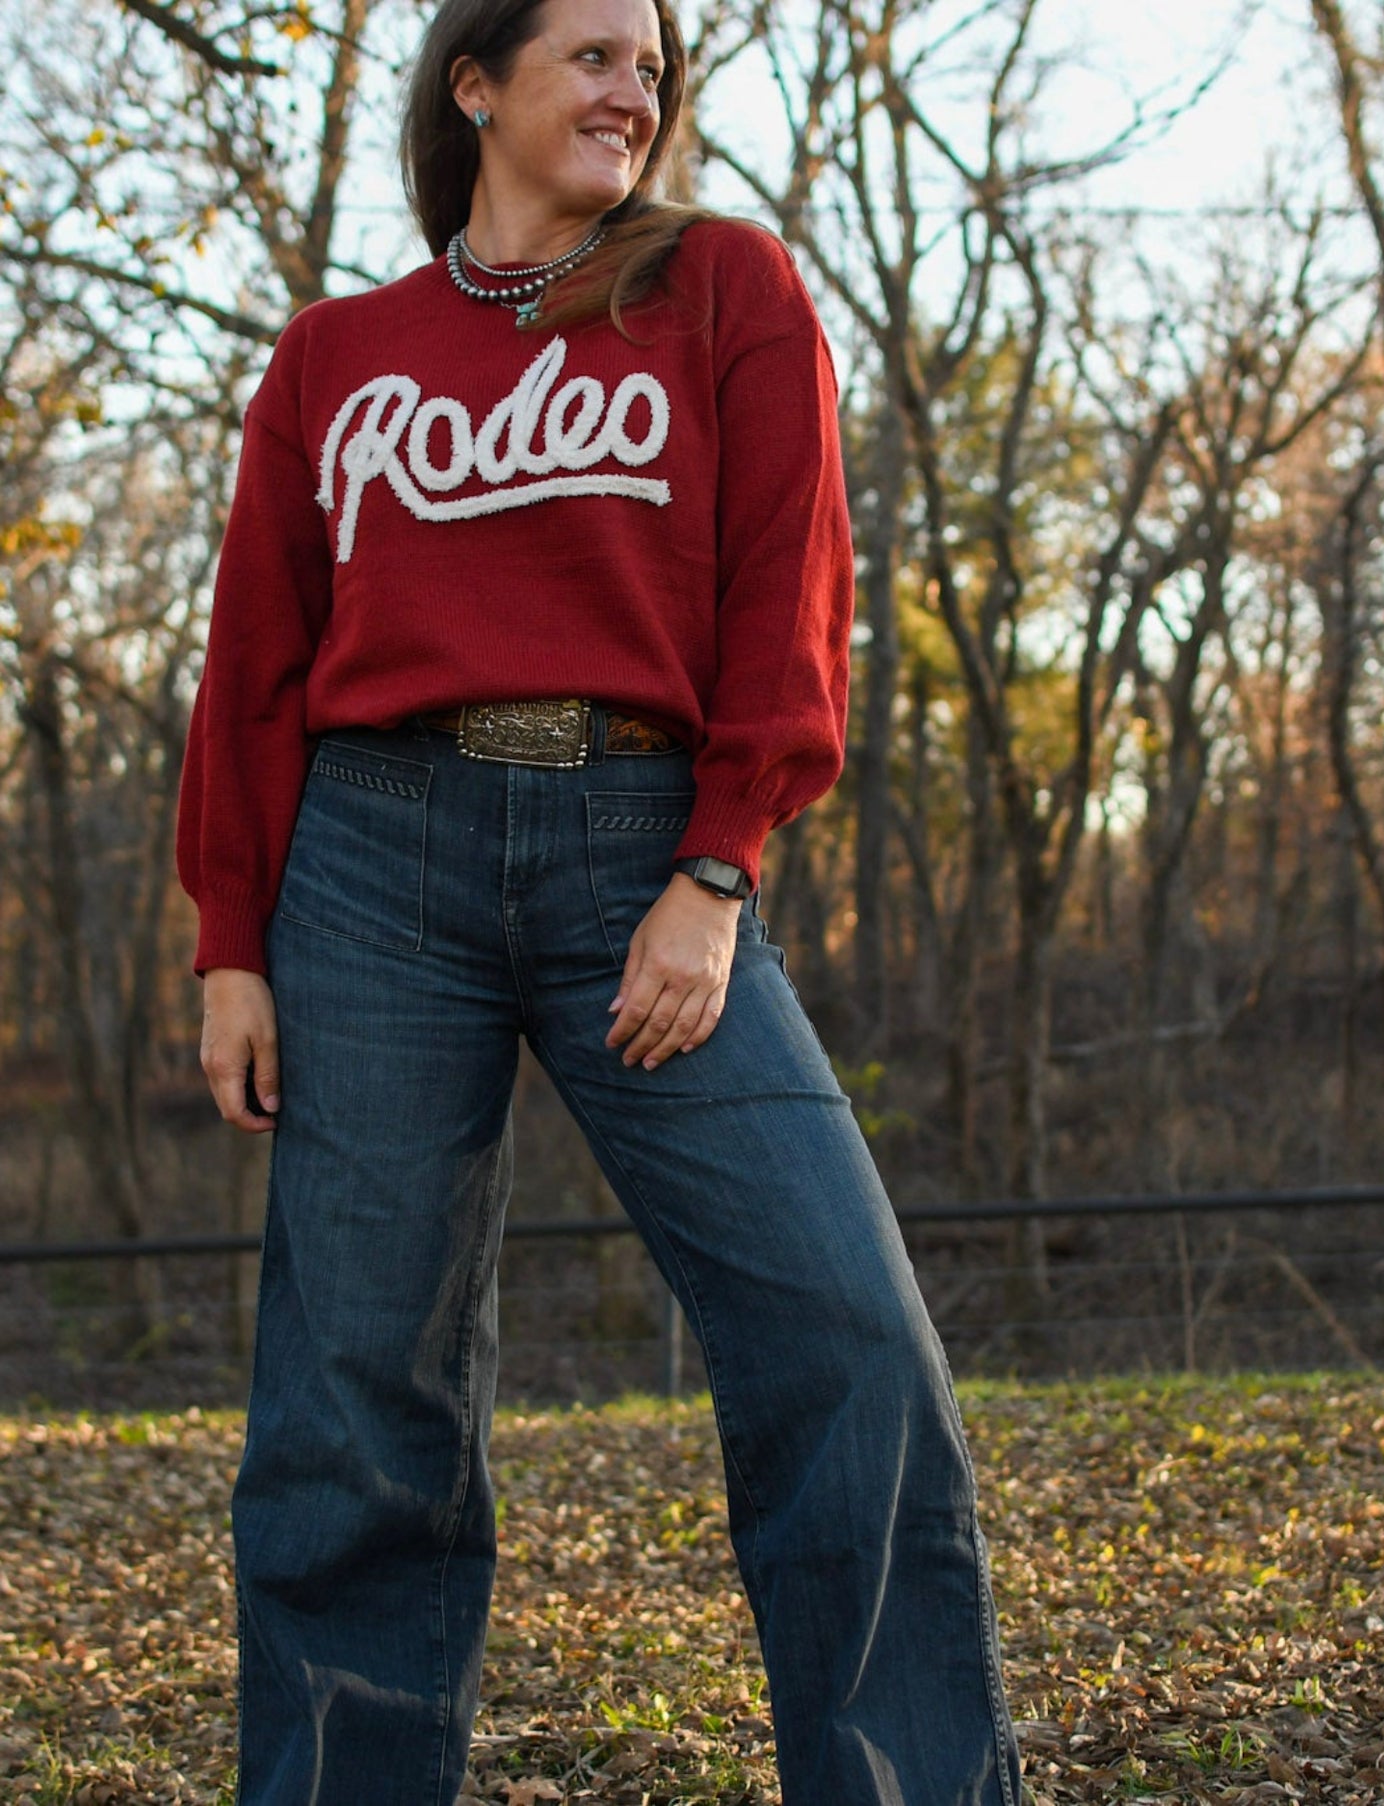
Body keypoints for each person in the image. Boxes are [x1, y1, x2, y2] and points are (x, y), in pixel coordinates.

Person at [177, 0, 1023, 1799]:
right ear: (476, 82)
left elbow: (791, 595)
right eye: (592, 54)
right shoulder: (339, 357)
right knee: (354, 1400)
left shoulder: (721, 289)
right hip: (371, 861)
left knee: (843, 1332)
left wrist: (716, 866)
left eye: (653, 64)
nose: (633, 90)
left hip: (641, 845)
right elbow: (254, 661)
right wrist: (229, 940)